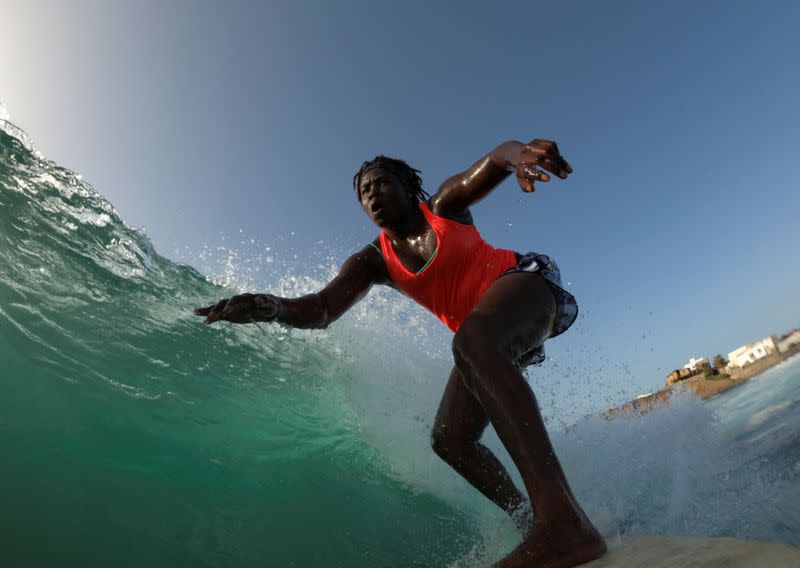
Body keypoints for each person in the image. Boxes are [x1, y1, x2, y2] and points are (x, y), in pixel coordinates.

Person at [195, 139, 607, 567]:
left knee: (470, 342)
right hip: (487, 338)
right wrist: (271, 306)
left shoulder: (443, 207)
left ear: (408, 188)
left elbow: (490, 163)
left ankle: (562, 523)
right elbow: (321, 309)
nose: (372, 194)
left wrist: (518, 155)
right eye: (364, 192)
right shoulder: (374, 261)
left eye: (381, 184)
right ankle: (532, 521)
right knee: (450, 440)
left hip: (527, 285)